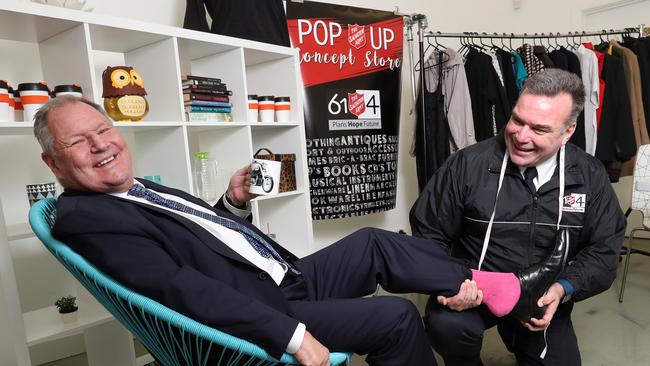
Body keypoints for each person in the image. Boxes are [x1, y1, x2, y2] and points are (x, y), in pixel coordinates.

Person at [34, 96, 561, 366]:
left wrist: (232, 205)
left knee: (375, 240)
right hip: (267, 308)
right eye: (78, 142)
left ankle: (488, 287)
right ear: (53, 162)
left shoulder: (132, 188)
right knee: (397, 316)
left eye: (103, 129)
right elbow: (180, 290)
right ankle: (499, 291)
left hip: (282, 275)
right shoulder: (91, 218)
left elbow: (194, 239)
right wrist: (292, 336)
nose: (101, 144)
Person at [410, 69, 626, 365]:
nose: (521, 136)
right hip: (473, 287)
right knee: (447, 326)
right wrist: (451, 283)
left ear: (568, 132)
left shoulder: (589, 175)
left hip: (540, 294)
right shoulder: (467, 165)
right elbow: (428, 233)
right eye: (516, 120)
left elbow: (604, 249)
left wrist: (562, 288)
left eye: (539, 129)